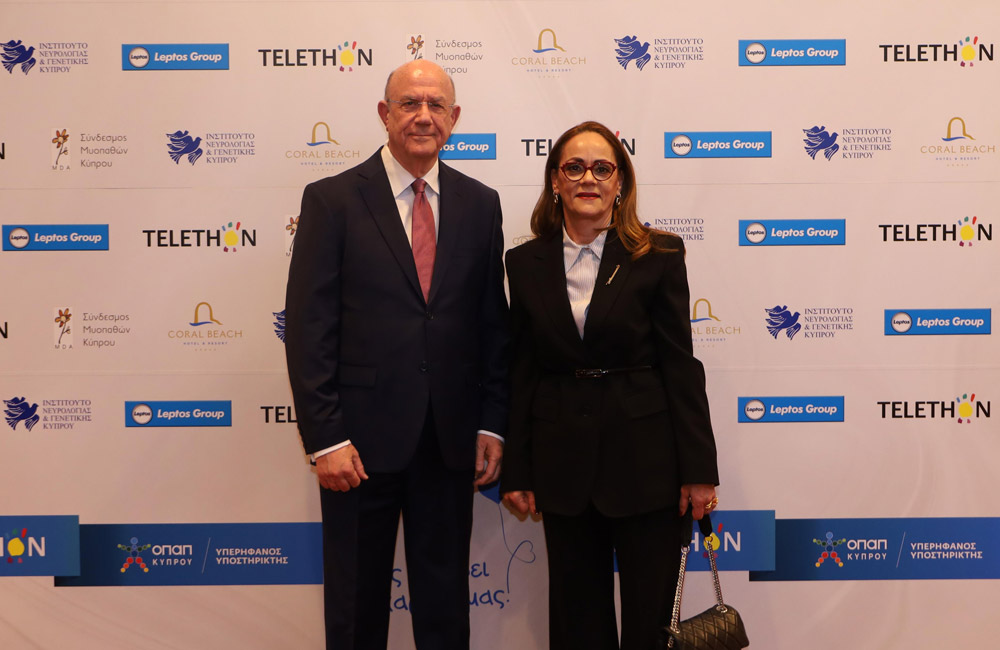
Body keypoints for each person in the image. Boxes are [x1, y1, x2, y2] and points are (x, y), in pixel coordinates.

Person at [284, 60, 508, 650]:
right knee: (356, 611)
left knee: (445, 613)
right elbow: (309, 328)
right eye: (410, 104)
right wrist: (326, 439)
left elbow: (492, 325)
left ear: (454, 118)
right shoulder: (332, 200)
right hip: (356, 447)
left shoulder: (480, 204)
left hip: (449, 441)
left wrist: (491, 422)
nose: (423, 116)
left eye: (437, 105)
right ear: (385, 114)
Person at [501, 121, 720, 650]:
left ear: (621, 181)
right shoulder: (524, 263)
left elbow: (680, 365)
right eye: (574, 167)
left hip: (648, 464)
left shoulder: (659, 254)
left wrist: (698, 470)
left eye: (602, 168)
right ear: (555, 180)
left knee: (651, 625)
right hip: (562, 466)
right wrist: (519, 467)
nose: (588, 179)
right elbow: (523, 369)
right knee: (577, 626)